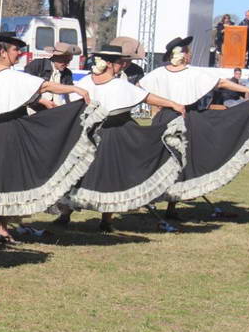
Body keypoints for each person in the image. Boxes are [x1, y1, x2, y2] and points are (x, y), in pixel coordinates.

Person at [0, 32, 98, 243]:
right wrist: (74, 88)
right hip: (10, 130)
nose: (19, 53)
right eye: (15, 49)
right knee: (5, 179)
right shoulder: (9, 76)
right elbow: (46, 86)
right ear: (3, 53)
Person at [61, 45, 187, 233]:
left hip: (99, 132)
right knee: (94, 174)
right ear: (109, 64)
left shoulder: (93, 81)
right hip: (108, 133)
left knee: (95, 173)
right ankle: (75, 215)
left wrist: (172, 104)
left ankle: (93, 218)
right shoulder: (111, 84)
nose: (123, 65)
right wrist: (173, 104)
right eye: (120, 62)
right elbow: (147, 97)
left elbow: (144, 96)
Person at [139, 36, 249, 219]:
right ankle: (161, 202)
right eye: (188, 51)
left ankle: (167, 204)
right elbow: (221, 83)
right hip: (182, 119)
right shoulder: (180, 73)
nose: (190, 54)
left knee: (171, 161)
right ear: (182, 54)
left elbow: (141, 88)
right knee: (173, 161)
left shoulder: (169, 73)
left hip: (168, 119)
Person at [23, 41, 80, 109]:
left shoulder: (67, 73)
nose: (67, 64)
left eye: (69, 61)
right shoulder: (37, 65)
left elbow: (69, 94)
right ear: (56, 56)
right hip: (34, 109)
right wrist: (41, 101)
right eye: (65, 60)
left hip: (57, 111)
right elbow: (25, 87)